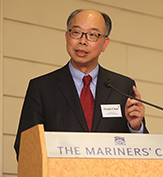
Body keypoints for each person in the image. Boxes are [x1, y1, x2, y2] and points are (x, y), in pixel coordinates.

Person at [14, 9, 148, 160]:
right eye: (76, 32)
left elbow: (140, 155)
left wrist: (135, 128)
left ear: (104, 44)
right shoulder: (41, 88)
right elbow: (25, 147)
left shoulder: (123, 87)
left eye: (92, 35)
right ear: (67, 37)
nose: (82, 41)